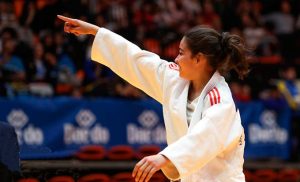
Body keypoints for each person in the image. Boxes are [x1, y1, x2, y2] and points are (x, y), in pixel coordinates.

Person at [57, 15, 250, 182]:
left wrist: (164, 158)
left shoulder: (220, 99)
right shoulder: (176, 80)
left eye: (181, 53)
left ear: (199, 59)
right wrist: (96, 32)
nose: (176, 59)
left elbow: (205, 136)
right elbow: (138, 60)